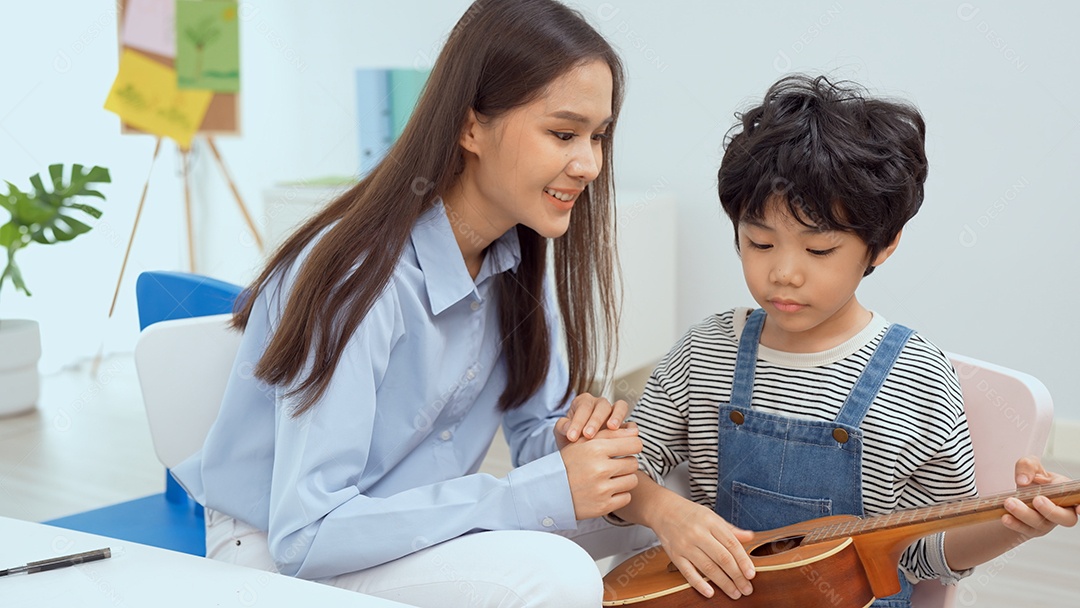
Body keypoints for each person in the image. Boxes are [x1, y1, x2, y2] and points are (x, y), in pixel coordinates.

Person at [171, 1, 649, 606]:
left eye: (597, 136)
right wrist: (527, 495)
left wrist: (578, 445)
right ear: (470, 126)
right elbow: (307, 533)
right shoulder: (360, 282)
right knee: (554, 574)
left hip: (405, 528)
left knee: (668, 502)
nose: (588, 164)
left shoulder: (513, 256)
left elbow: (533, 436)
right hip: (283, 551)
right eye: (563, 133)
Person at [609, 75, 1079, 607]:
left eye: (820, 250)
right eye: (759, 242)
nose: (784, 273)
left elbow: (926, 555)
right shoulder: (706, 351)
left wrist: (1017, 525)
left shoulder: (917, 381)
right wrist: (663, 511)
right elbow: (622, 478)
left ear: (883, 246)